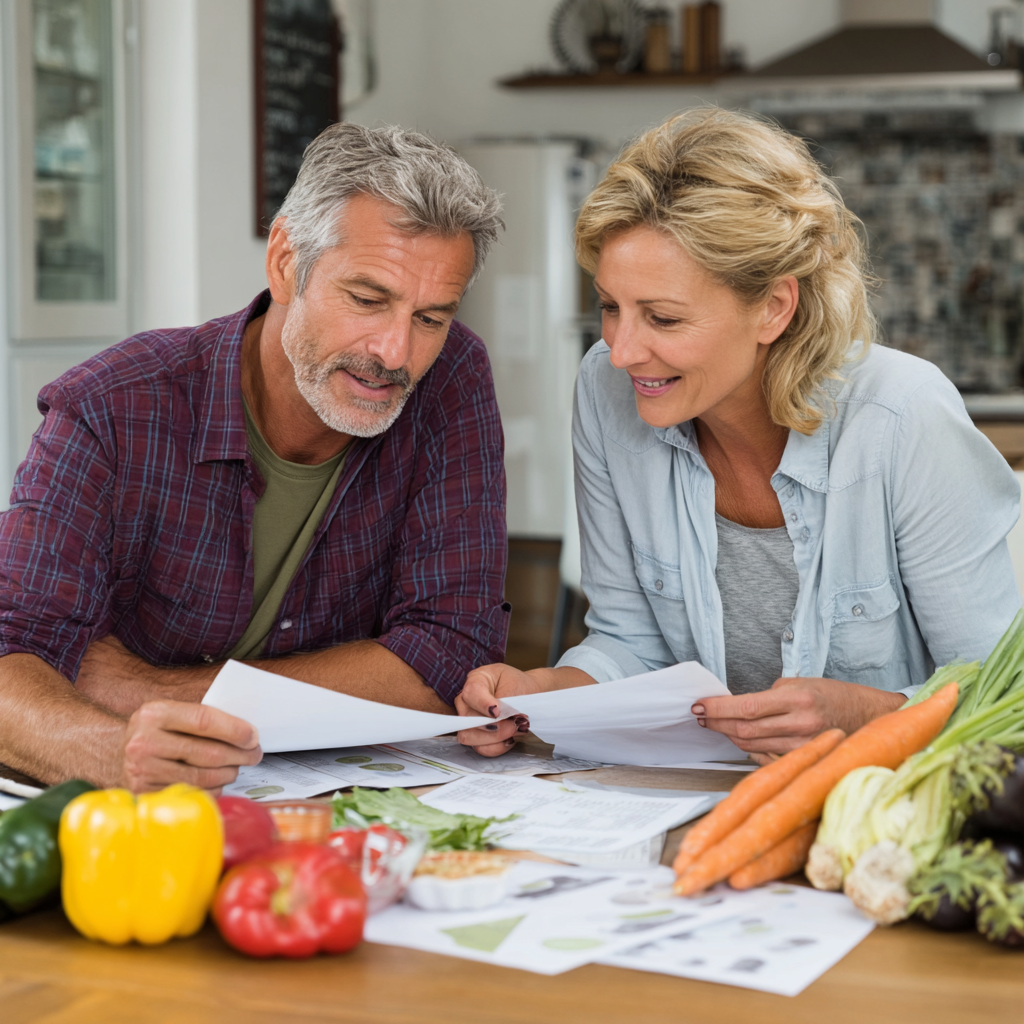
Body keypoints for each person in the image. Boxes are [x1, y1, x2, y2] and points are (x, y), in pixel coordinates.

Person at [456, 107, 1021, 764]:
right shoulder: (606, 393)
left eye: (663, 318)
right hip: (699, 804)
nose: (622, 350)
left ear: (773, 308)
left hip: (878, 817)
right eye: (610, 306)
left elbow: (1001, 697)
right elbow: (630, 643)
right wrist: (541, 692)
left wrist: (865, 717)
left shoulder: (903, 417)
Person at [0, 123, 509, 791]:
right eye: (366, 299)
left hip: (334, 807)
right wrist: (116, 749)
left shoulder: (451, 377)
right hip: (131, 815)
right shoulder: (112, 406)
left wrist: (142, 690)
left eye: (430, 318)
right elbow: (13, 658)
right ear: (284, 261)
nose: (394, 353)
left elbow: (451, 651)